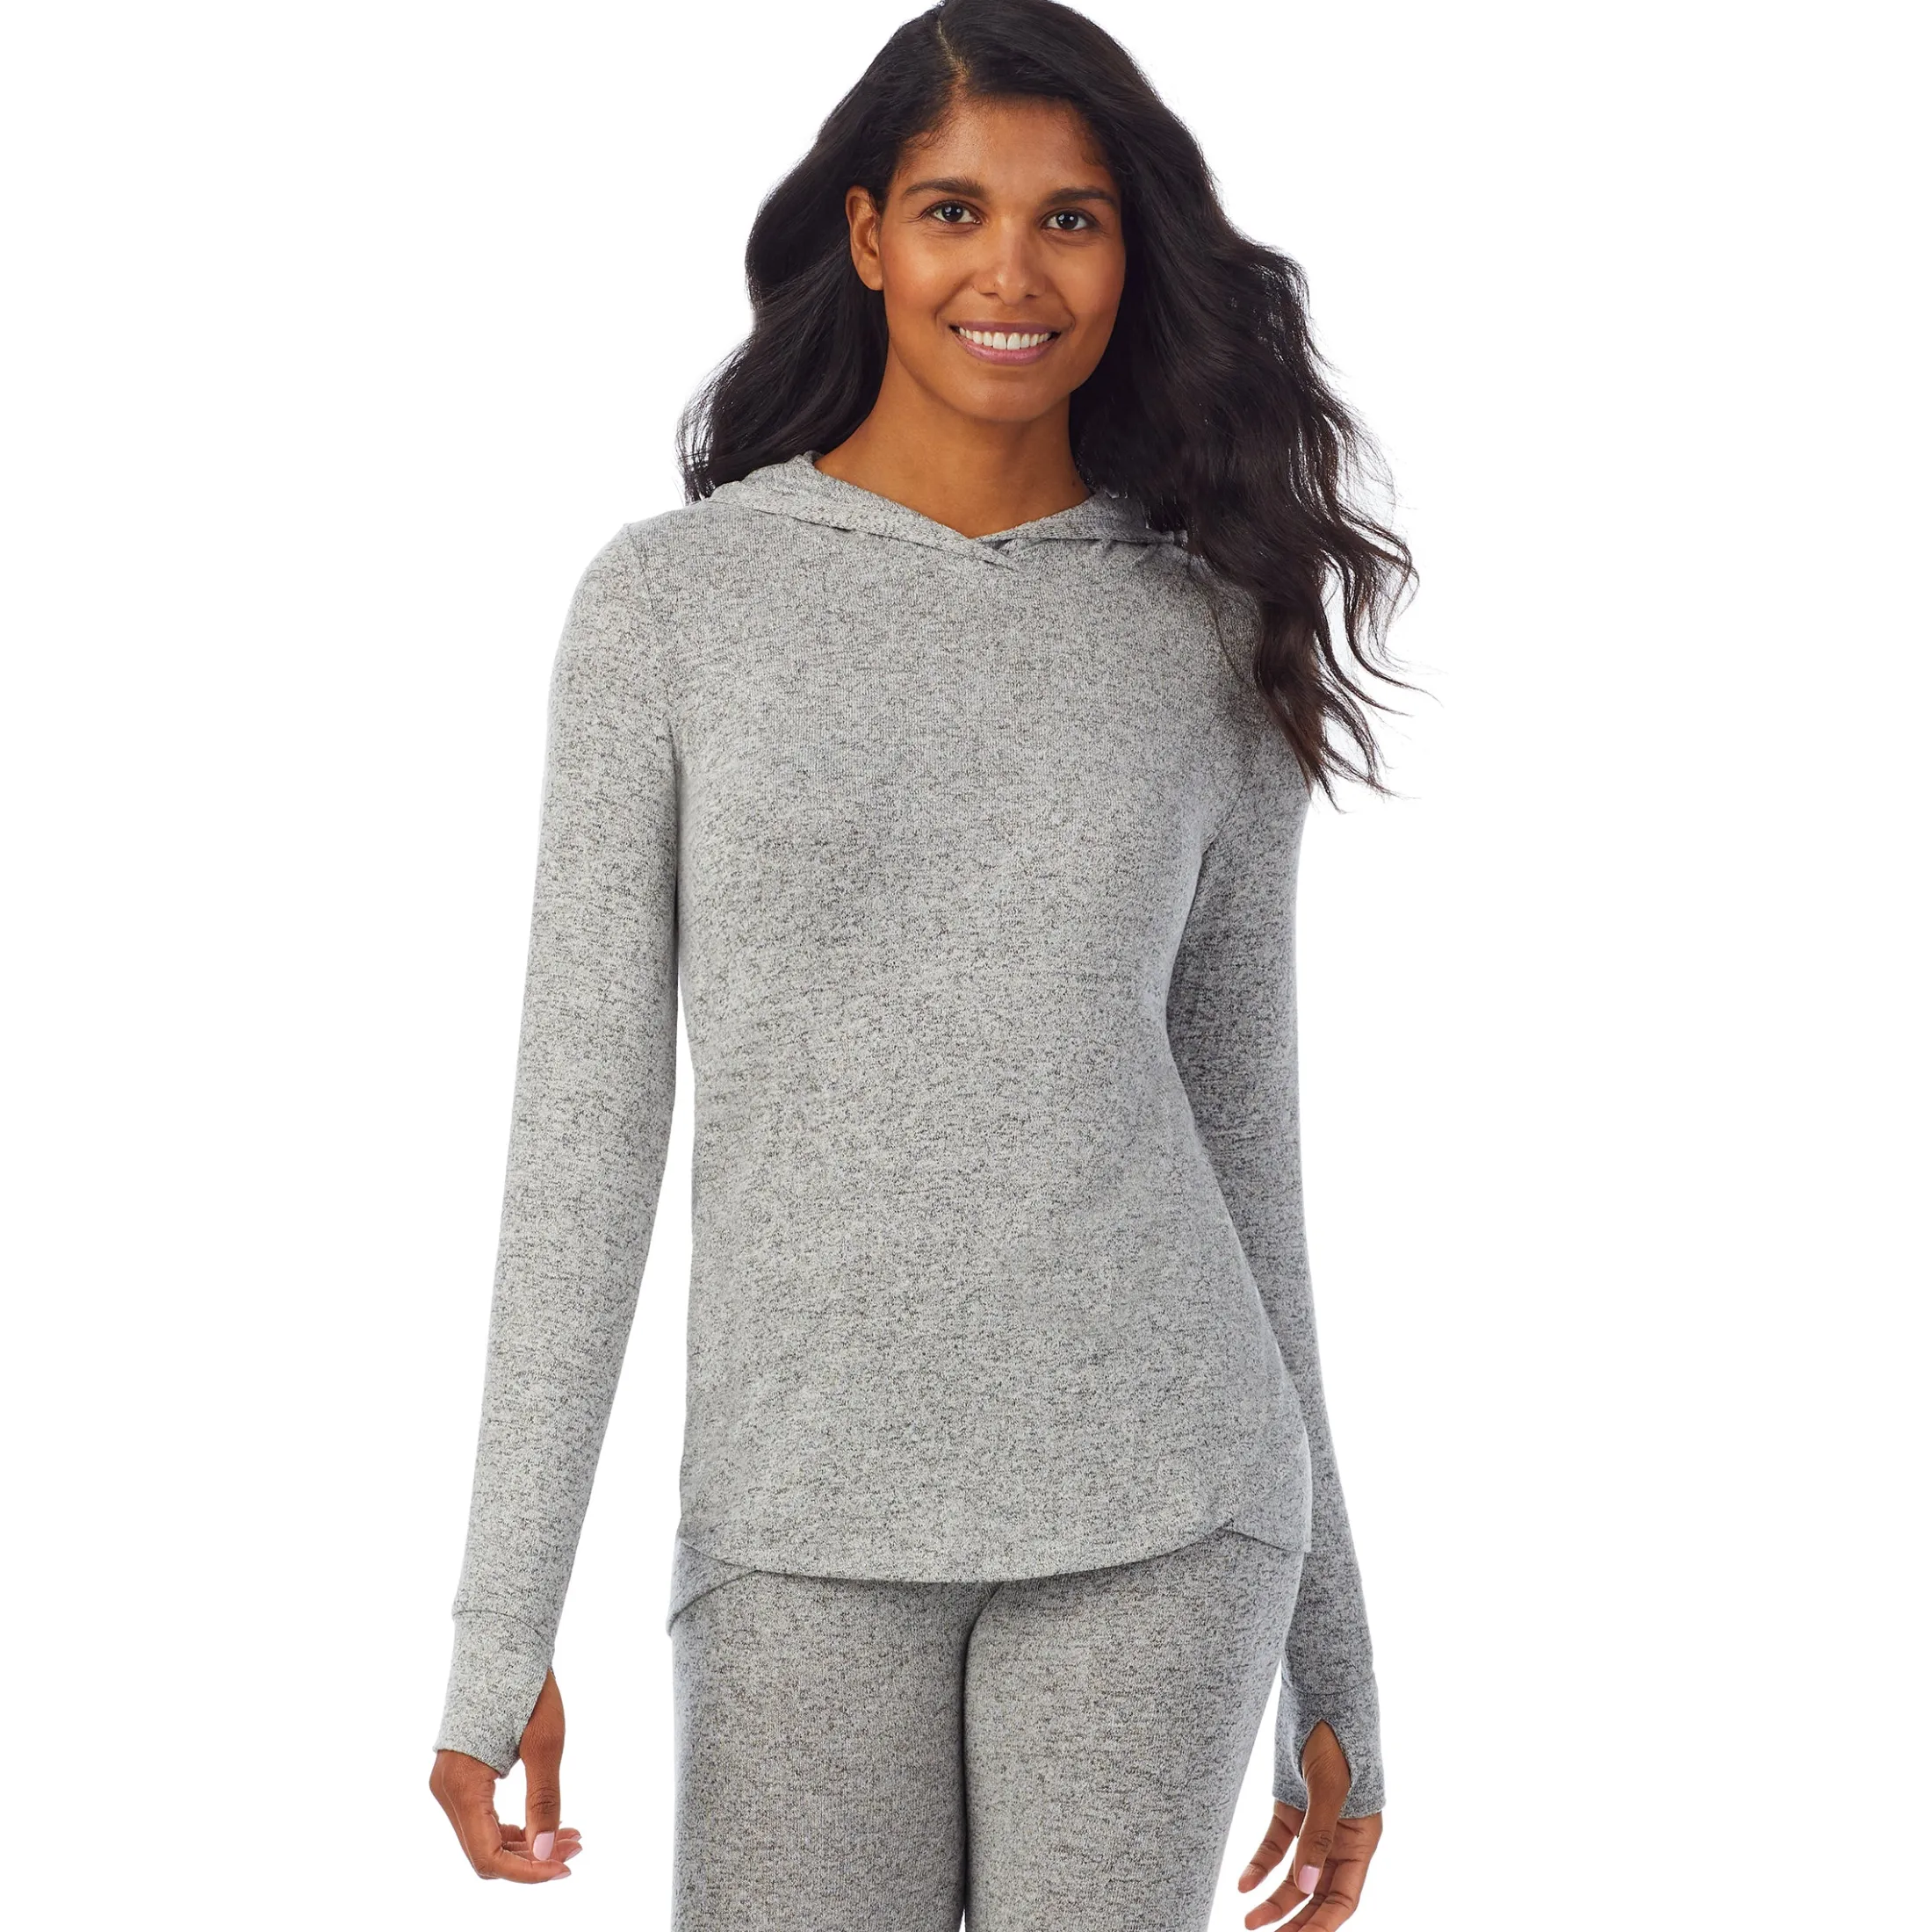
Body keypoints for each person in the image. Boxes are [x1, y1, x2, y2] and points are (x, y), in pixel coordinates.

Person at [427, 3, 1416, 1927]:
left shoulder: (1205, 636)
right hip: (797, 1518)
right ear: (869, 234)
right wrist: (501, 1621)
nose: (1011, 271)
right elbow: (581, 1137)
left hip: (1168, 1501)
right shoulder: (674, 608)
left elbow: (1244, 1145)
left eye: (1071, 219)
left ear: (1129, 255)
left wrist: (1339, 1667)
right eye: (956, 209)